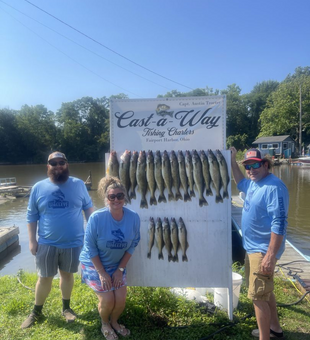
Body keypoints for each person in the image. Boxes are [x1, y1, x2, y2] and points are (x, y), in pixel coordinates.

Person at [21, 151, 94, 329]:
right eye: (54, 163)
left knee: (67, 275)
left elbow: (89, 210)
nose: (58, 166)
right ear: (48, 166)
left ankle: (66, 308)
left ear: (67, 164)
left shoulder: (78, 184)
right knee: (44, 278)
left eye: (62, 162)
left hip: (74, 242)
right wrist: (32, 241)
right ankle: (36, 311)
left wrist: (91, 236)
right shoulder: (38, 187)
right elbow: (31, 216)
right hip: (47, 243)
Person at [230, 147, 289, 340]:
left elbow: (279, 222)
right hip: (252, 247)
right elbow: (240, 182)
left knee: (257, 297)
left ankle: (265, 337)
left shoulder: (274, 187)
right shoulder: (254, 183)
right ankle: (275, 330)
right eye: (247, 166)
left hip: (263, 250)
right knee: (265, 293)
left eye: (255, 165)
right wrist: (232, 161)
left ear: (265, 164)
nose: (250, 170)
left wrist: (270, 255)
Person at [79, 176, 140, 340]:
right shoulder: (96, 218)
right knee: (107, 299)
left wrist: (120, 270)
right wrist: (102, 272)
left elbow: (134, 243)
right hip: (93, 263)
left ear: (125, 197)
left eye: (120, 195)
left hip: (116, 264)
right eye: (111, 196)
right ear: (106, 199)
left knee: (120, 299)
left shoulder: (133, 217)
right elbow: (90, 247)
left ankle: (114, 322)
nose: (116, 199)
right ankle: (104, 323)